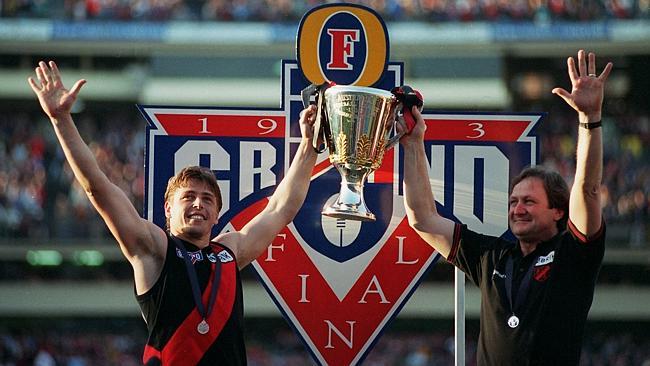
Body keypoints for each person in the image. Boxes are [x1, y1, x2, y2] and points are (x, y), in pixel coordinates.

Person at [28, 61, 319, 365]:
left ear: (218, 214)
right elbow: (98, 188)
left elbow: (281, 207)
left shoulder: (230, 252)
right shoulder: (154, 249)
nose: (198, 204)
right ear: (168, 208)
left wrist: (309, 144)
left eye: (208, 199)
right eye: (189, 197)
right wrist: (61, 119)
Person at [399, 50, 612, 365]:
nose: (518, 209)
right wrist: (414, 143)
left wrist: (589, 119)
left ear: (558, 211)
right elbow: (423, 219)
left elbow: (587, 188)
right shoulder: (493, 257)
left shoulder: (574, 254)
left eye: (529, 201)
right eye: (513, 201)